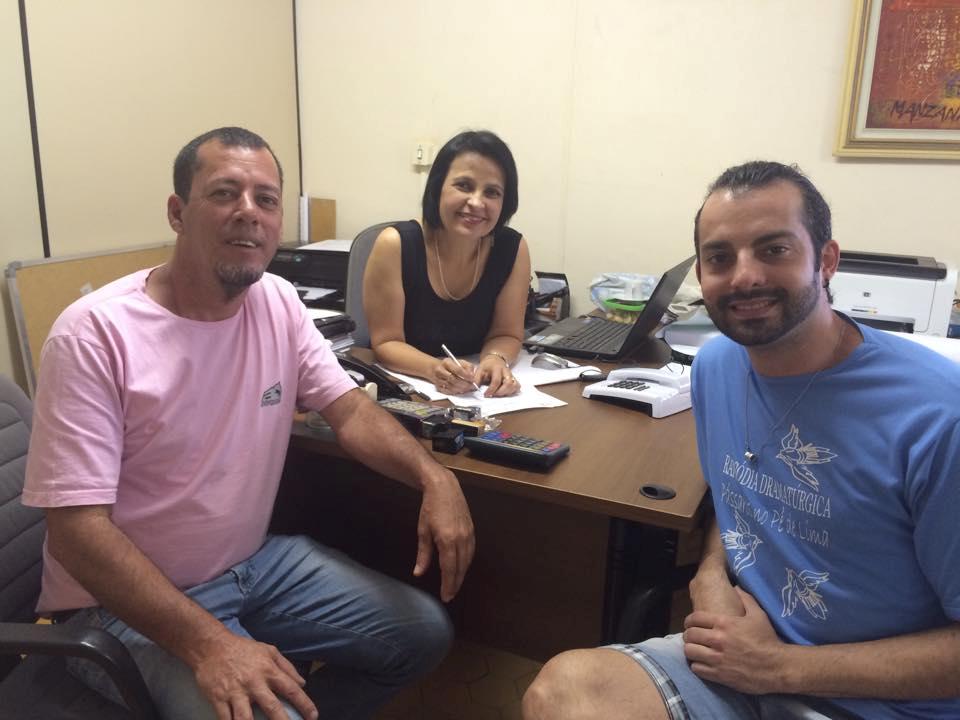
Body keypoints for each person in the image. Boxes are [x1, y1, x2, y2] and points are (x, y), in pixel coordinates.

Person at [21, 126, 477, 720]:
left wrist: (435, 478)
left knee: (421, 634)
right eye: (224, 194)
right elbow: (77, 534)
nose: (249, 213)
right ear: (178, 212)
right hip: (116, 608)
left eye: (266, 199)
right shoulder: (94, 335)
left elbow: (352, 410)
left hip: (252, 568)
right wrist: (210, 645)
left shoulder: (279, 303)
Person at [521, 161, 960, 719]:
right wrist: (709, 576)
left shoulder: (938, 418)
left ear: (826, 261)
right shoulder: (718, 367)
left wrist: (780, 668)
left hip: (881, 700)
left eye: (773, 250)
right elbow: (738, 500)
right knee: (561, 694)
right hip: (742, 664)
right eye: (720, 258)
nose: (744, 276)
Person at [363, 129, 532, 398]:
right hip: (409, 394)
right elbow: (386, 341)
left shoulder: (512, 248)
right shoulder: (395, 245)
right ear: (438, 187)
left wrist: (495, 359)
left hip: (477, 398)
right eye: (463, 185)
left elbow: (507, 333)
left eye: (492, 192)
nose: (476, 202)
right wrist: (434, 370)